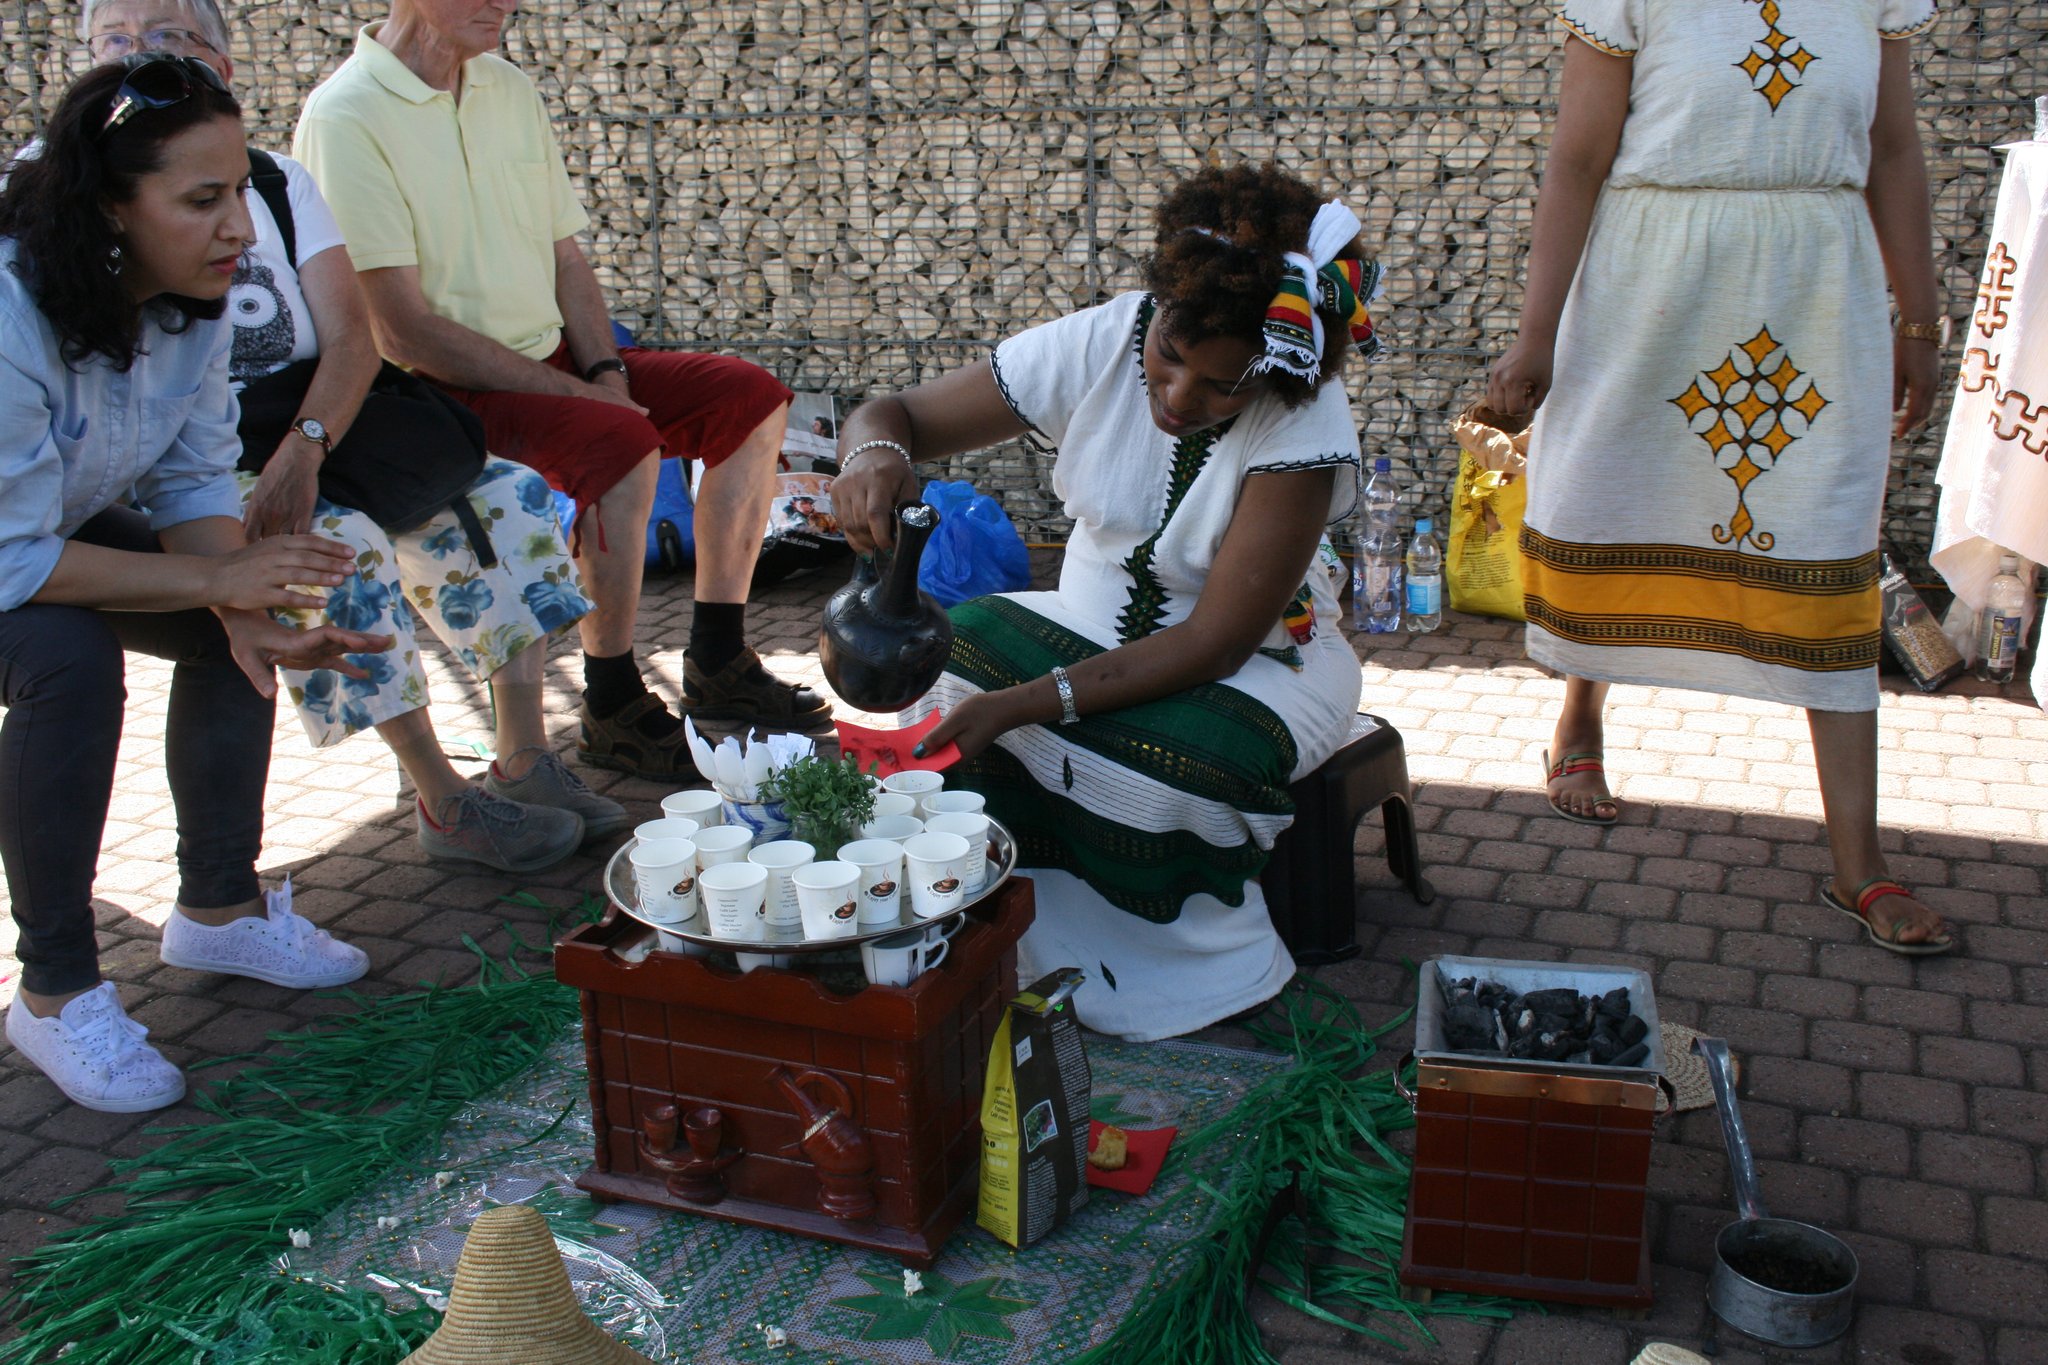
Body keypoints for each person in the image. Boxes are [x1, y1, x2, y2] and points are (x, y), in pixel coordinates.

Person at [833, 164, 1381, 1040]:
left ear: (1275, 370)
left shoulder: (1304, 417)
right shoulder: (1108, 336)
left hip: (1261, 666)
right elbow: (893, 412)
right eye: (1171, 357)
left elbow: (1214, 643)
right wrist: (871, 457)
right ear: (1159, 307)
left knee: (1184, 765)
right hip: (1084, 618)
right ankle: (996, 934)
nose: (1180, 397)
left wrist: (1024, 702)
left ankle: (1188, 986)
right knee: (947, 666)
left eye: (1223, 385)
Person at [80, 0, 625, 873]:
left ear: (222, 66)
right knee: (338, 548)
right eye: (117, 41)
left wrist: (307, 445)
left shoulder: (278, 182)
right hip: (203, 454)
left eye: (174, 38)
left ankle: (523, 757)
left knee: (508, 495)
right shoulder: (67, 203)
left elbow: (352, 338)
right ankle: (440, 798)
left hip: (320, 420)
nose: (145, 57)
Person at [1486, 0, 1953, 954]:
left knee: (1825, 539)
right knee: (1613, 503)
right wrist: (1537, 335)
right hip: (1651, 280)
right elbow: (1578, 158)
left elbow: (1894, 146)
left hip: (1819, 291)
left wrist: (1919, 319)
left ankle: (1858, 860)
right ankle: (1581, 714)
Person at [292, 0, 829, 783]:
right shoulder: (345, 115)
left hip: (553, 363)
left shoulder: (506, 87)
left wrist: (605, 372)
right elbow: (401, 331)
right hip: (433, 397)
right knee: (622, 444)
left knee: (749, 400)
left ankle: (716, 657)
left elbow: (567, 261)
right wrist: (582, 396)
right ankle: (610, 703)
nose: (503, 2)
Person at [0, 58, 391, 1111]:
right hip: (9, 542)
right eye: (202, 200)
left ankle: (218, 911)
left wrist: (243, 603)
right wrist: (219, 575)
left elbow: (187, 482)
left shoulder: (192, 300)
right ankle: (54, 992)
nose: (242, 232)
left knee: (238, 616)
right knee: (67, 657)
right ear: (109, 209)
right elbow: (14, 561)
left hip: (34, 523)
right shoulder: (7, 307)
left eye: (242, 194)